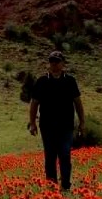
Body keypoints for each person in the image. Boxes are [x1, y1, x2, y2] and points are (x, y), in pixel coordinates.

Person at [28, 50, 85, 191]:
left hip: (66, 126)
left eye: (57, 62)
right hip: (47, 126)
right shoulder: (42, 81)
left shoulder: (70, 81)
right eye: (52, 62)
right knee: (50, 156)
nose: (54, 64)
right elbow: (34, 103)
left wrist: (82, 122)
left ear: (63, 63)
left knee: (65, 154)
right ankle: (52, 186)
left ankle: (65, 185)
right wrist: (32, 123)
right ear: (49, 64)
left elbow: (78, 102)